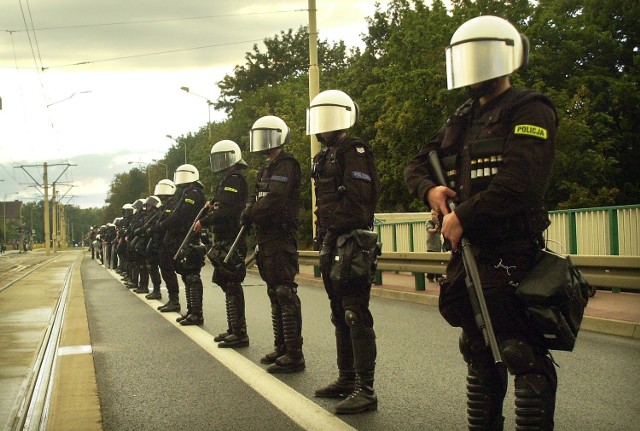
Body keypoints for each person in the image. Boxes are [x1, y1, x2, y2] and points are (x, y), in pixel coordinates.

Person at [404, 15, 558, 430]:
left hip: (511, 251)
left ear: (506, 58)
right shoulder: (461, 117)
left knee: (520, 353)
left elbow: (520, 184)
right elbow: (416, 164)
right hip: (468, 252)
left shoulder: (530, 109)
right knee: (477, 348)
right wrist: (430, 192)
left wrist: (463, 217)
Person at [307, 89, 381, 414]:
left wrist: (332, 228)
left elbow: (358, 201)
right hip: (331, 241)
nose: (322, 125)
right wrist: (323, 234)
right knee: (339, 314)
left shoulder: (355, 150)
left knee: (354, 313)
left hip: (351, 241)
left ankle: (365, 389)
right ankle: (346, 378)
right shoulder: (325, 155)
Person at [241, 115, 305, 373]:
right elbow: (258, 197)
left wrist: (251, 212)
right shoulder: (266, 168)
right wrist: (249, 209)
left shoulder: (286, 165)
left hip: (281, 236)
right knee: (273, 292)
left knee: (284, 292)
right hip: (265, 236)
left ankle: (294, 353)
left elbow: (275, 200)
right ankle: (281, 347)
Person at [195, 140, 249, 348]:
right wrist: (210, 205)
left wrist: (205, 220)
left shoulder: (235, 180)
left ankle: (240, 332)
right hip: (224, 239)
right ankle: (233, 328)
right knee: (225, 282)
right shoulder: (225, 181)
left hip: (232, 239)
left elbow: (227, 211)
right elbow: (220, 204)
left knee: (232, 283)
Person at [157, 165, 206, 323]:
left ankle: (196, 313)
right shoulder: (185, 192)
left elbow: (183, 214)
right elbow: (179, 213)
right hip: (182, 237)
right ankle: (192, 310)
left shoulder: (194, 193)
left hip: (189, 237)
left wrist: (165, 224)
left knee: (192, 275)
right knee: (186, 275)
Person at [426, 210, 442, 282]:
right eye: (432, 214)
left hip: (438, 246)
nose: (433, 216)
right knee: (432, 262)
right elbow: (430, 230)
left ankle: (437, 277)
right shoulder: (429, 222)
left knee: (438, 262)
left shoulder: (439, 223)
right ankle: (432, 277)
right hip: (431, 246)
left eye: (434, 214)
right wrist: (435, 229)